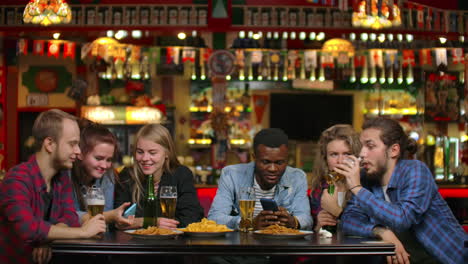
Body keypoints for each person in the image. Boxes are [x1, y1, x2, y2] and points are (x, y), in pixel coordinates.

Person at [340, 117, 467, 264]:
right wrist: (381, 231)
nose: (362, 154)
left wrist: (357, 189)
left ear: (394, 150)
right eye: (361, 146)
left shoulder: (415, 170)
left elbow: (402, 219)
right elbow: (348, 220)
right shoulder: (366, 178)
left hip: (446, 259)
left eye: (370, 146)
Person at [0, 109, 106, 264]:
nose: (78, 152)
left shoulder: (61, 176)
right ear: (49, 144)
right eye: (72, 144)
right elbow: (28, 228)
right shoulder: (16, 179)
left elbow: (69, 216)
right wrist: (83, 232)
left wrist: (48, 239)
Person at [208, 128, 312, 231]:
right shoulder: (231, 175)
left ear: (287, 160)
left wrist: (293, 222)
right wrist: (248, 223)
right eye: (266, 162)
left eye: (279, 163)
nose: (273, 169)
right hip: (243, 244)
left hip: (281, 244)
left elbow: (306, 219)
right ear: (254, 158)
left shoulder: (297, 177)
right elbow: (214, 218)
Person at [114, 124, 204, 230]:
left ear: (167, 153)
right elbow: (118, 221)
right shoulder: (127, 175)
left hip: (173, 244)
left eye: (152, 152)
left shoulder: (181, 174)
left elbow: (191, 218)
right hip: (135, 244)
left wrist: (139, 222)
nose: (145, 158)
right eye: (140, 152)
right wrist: (152, 222)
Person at [71, 119, 133, 227]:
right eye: (98, 158)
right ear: (80, 153)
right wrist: (110, 216)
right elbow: (68, 217)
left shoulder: (108, 176)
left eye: (109, 160)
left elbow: (105, 218)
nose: (104, 166)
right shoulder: (66, 174)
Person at [309, 124, 361, 232]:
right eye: (334, 154)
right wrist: (319, 225)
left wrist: (338, 213)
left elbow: (370, 227)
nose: (340, 161)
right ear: (325, 159)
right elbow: (312, 234)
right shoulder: (319, 189)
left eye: (347, 154)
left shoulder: (366, 188)